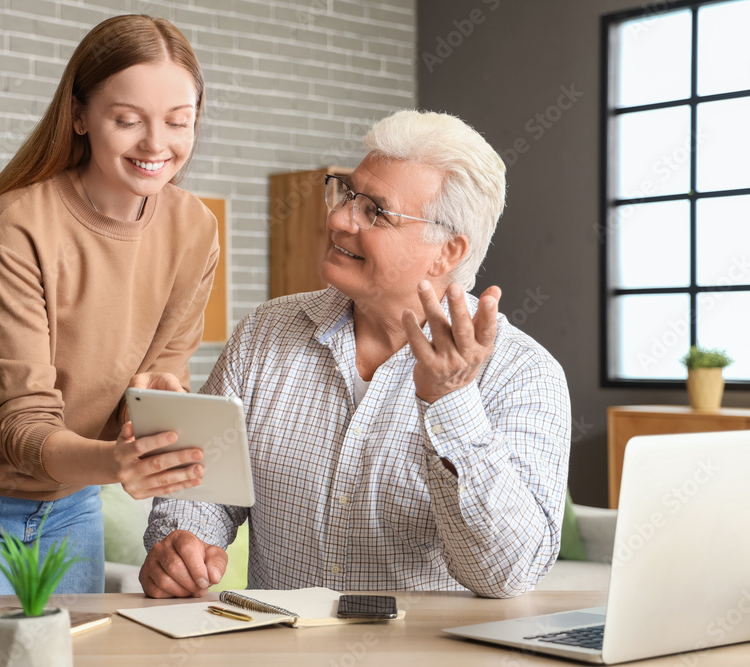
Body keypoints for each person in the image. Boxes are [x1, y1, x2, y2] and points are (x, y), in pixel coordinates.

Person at [140, 110, 571, 600]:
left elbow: (505, 575)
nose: (339, 219)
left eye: (375, 211)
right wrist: (182, 544)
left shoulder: (524, 374)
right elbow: (205, 489)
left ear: (448, 251)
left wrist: (451, 402)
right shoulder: (263, 333)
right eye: (347, 193)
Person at [0, 15, 219, 595]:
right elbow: (25, 424)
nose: (156, 145)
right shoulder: (18, 225)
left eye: (178, 122)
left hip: (68, 499)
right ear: (80, 116)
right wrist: (118, 464)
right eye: (128, 120)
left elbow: (160, 371)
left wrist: (157, 399)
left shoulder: (195, 229)